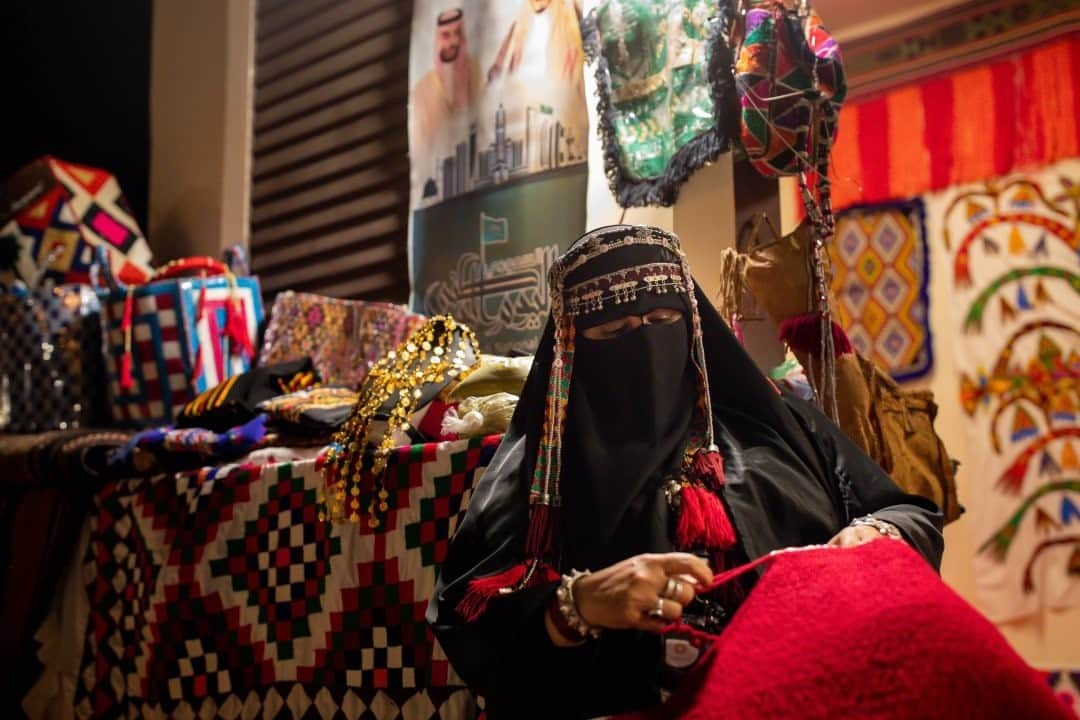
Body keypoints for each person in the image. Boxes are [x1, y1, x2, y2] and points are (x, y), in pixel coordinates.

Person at [427, 224, 944, 719]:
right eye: (616, 331)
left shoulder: (775, 425)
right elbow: (467, 624)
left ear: (692, 325)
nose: (645, 346)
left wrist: (874, 533)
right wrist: (574, 605)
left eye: (661, 322)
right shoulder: (542, 476)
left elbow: (908, 510)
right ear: (574, 346)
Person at [410, 8, 480, 164]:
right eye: (446, 35)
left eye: (458, 33)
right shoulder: (420, 94)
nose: (453, 42)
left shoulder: (477, 72)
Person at [486, 0, 584, 87]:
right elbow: (506, 52)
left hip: (557, 90)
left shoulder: (566, 10)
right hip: (522, 90)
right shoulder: (522, 13)